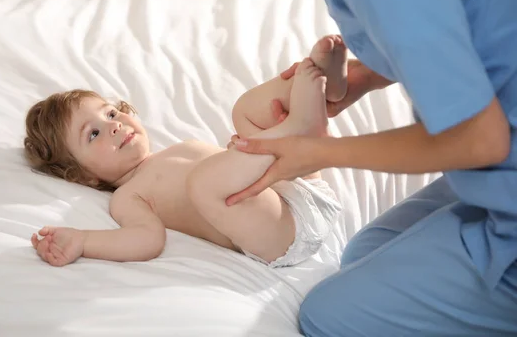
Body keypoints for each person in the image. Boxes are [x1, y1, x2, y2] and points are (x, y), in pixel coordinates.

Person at [227, 0, 517, 335]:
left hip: (494, 155)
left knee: (325, 316)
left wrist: (322, 152)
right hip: (499, 158)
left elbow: (482, 140)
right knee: (366, 249)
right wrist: (364, 77)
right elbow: (462, 17)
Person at [23, 38, 343, 268]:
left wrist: (238, 156)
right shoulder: (128, 196)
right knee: (204, 183)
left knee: (245, 111)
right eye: (93, 134)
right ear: (83, 175)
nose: (115, 126)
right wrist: (83, 241)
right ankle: (300, 124)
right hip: (278, 234)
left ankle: (327, 90)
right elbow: (147, 240)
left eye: (109, 114)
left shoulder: (177, 148)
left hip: (297, 186)